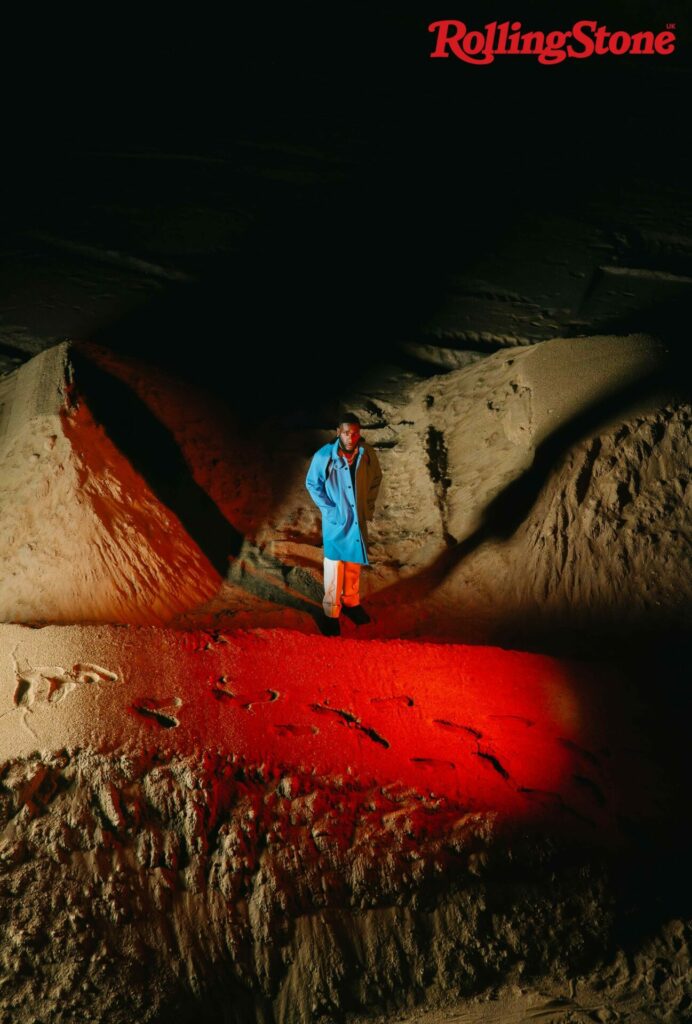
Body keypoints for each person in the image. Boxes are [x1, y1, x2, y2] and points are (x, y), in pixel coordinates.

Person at [306, 414, 382, 636]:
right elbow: (312, 483)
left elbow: (376, 478)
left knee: (353, 561)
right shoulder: (324, 456)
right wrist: (329, 510)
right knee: (334, 565)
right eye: (347, 432)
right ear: (338, 432)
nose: (351, 437)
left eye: (355, 432)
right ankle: (331, 612)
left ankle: (351, 602)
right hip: (336, 519)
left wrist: (367, 505)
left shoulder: (366, 453)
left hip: (356, 517)